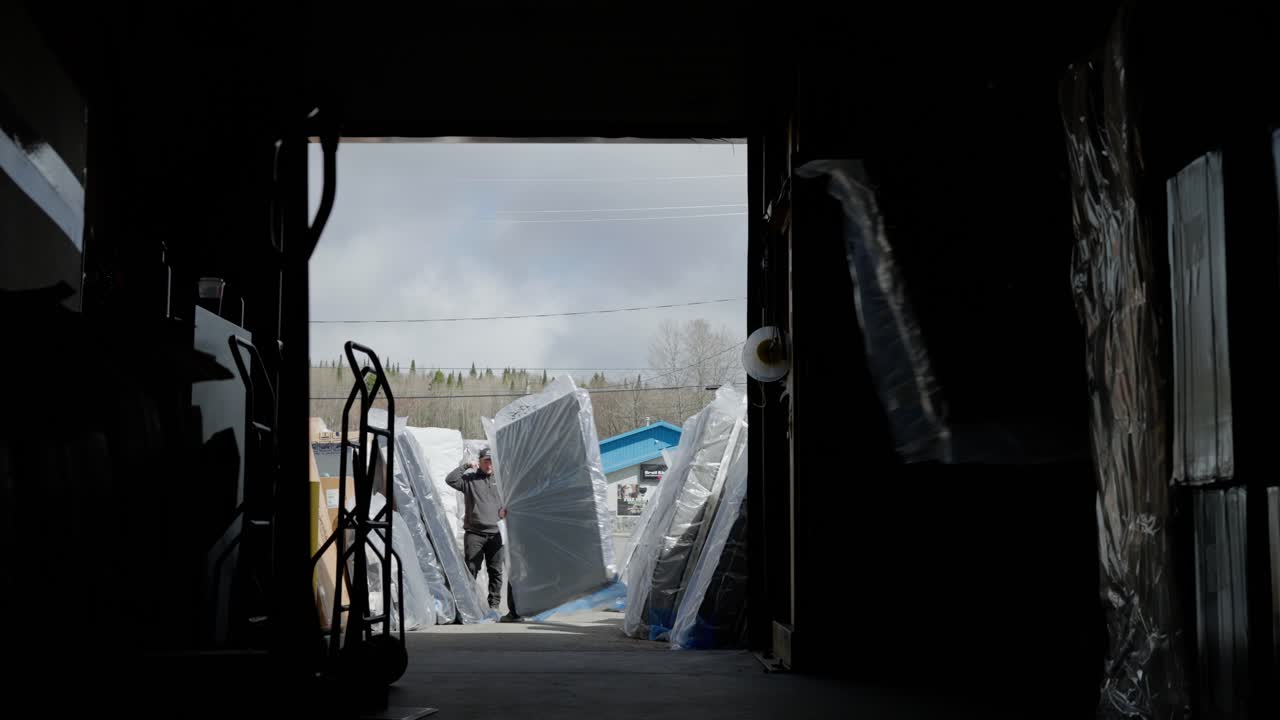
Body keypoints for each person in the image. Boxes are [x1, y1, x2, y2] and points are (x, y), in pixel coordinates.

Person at [445, 446, 522, 621]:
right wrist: (466, 466)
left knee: (495, 571)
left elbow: (512, 499)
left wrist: (506, 510)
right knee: (471, 568)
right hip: (475, 533)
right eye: (486, 461)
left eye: (492, 461)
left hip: (497, 534)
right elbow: (450, 480)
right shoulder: (469, 480)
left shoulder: (501, 482)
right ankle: (469, 604)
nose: (489, 465)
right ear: (479, 462)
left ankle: (494, 605)